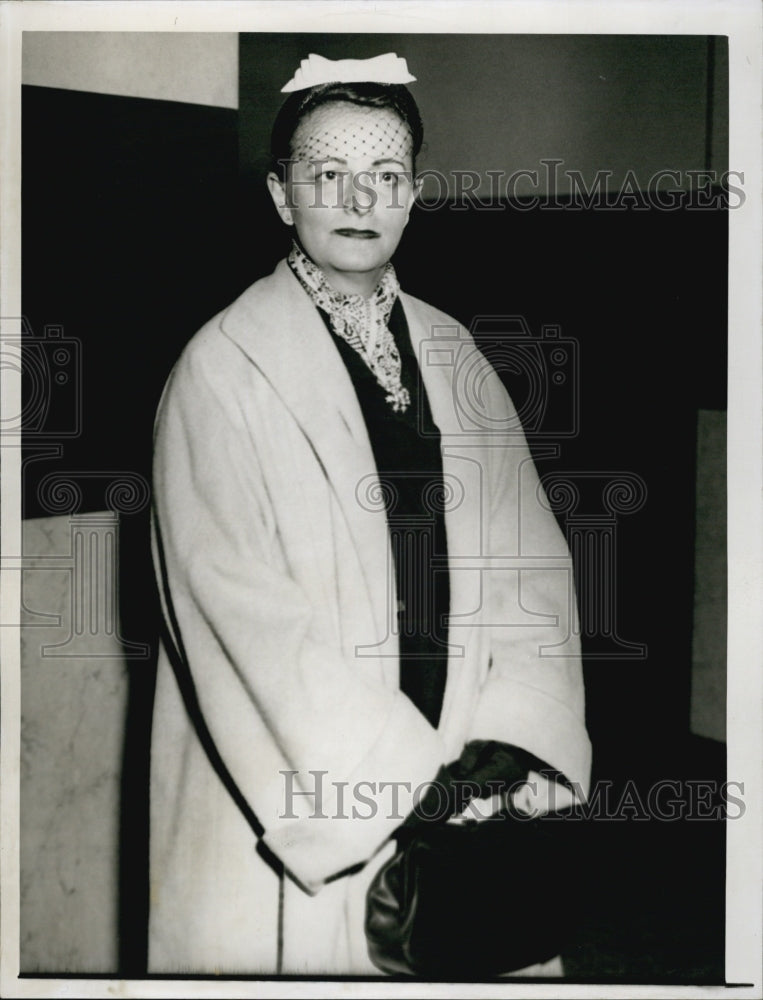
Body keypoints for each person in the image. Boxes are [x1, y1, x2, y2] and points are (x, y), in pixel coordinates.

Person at [148, 52, 591, 976]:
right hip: (314, 769)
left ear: (414, 193)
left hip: (465, 749)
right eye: (328, 175)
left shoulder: (453, 350)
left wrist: (507, 737)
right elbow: (238, 611)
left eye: (385, 176)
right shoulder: (222, 368)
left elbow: (526, 558)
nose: (359, 198)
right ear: (281, 195)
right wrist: (399, 774)